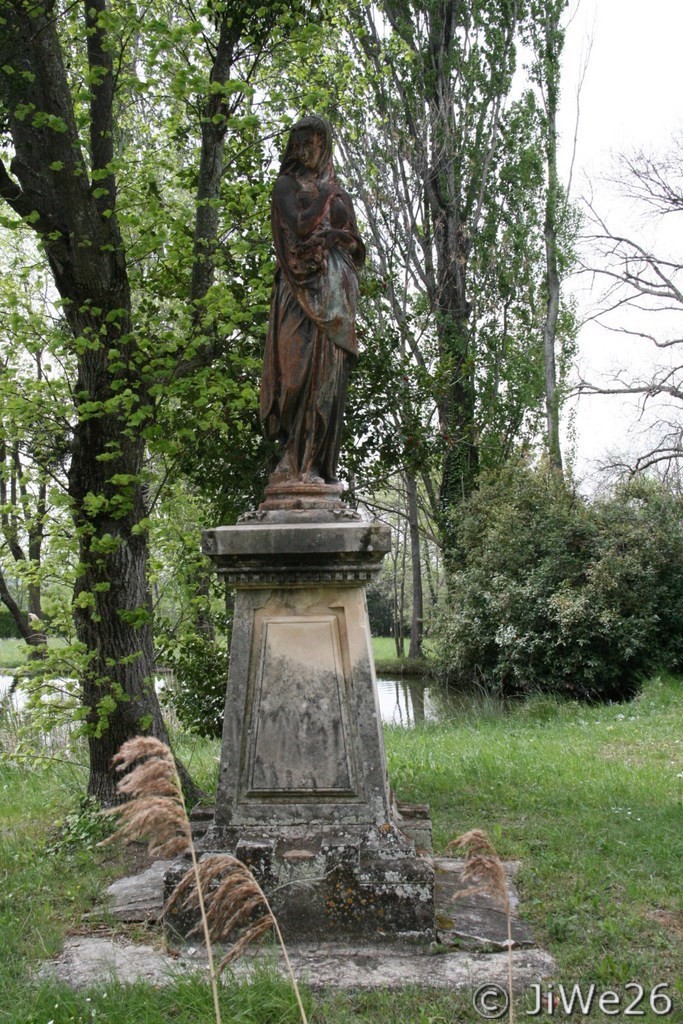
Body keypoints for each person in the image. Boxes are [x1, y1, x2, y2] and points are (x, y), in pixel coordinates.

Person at [260, 115, 365, 486]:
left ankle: (311, 465)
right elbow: (299, 225)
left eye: (313, 144)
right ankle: (290, 456)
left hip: (335, 293)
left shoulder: (338, 192)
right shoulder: (286, 185)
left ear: (324, 146)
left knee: (325, 382)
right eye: (299, 143)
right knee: (293, 377)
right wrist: (324, 197)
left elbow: (355, 245)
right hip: (296, 290)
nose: (305, 151)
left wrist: (342, 236)